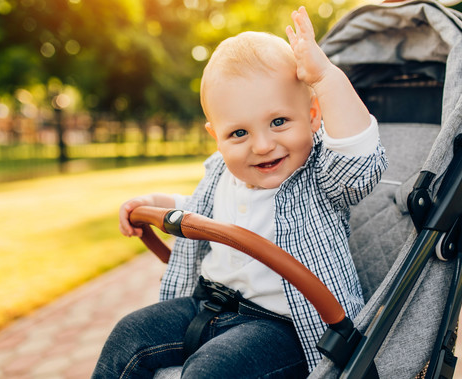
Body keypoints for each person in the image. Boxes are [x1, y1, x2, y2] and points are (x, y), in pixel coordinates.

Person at [92, 6, 387, 378]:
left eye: (279, 122)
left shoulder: (320, 177)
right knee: (128, 335)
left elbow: (359, 162)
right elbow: (199, 213)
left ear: (313, 116)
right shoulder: (221, 173)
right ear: (216, 138)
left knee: (210, 371)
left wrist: (325, 77)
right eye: (239, 133)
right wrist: (153, 204)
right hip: (208, 304)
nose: (262, 145)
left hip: (283, 326)